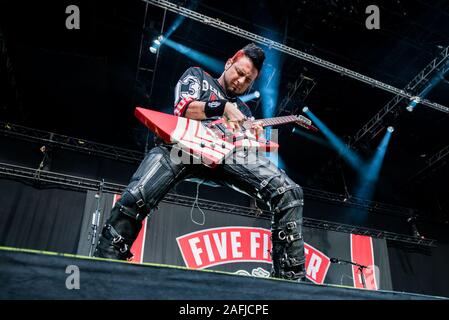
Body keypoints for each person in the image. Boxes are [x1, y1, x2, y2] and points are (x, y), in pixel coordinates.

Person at [94, 43, 306, 281]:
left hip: (224, 157)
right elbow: (183, 109)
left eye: (248, 80)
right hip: (181, 148)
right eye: (239, 71)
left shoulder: (245, 111)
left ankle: (291, 279)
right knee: (136, 196)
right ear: (228, 64)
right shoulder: (198, 76)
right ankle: (105, 262)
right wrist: (222, 107)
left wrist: (255, 137)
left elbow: (247, 154)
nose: (240, 81)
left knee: (288, 191)